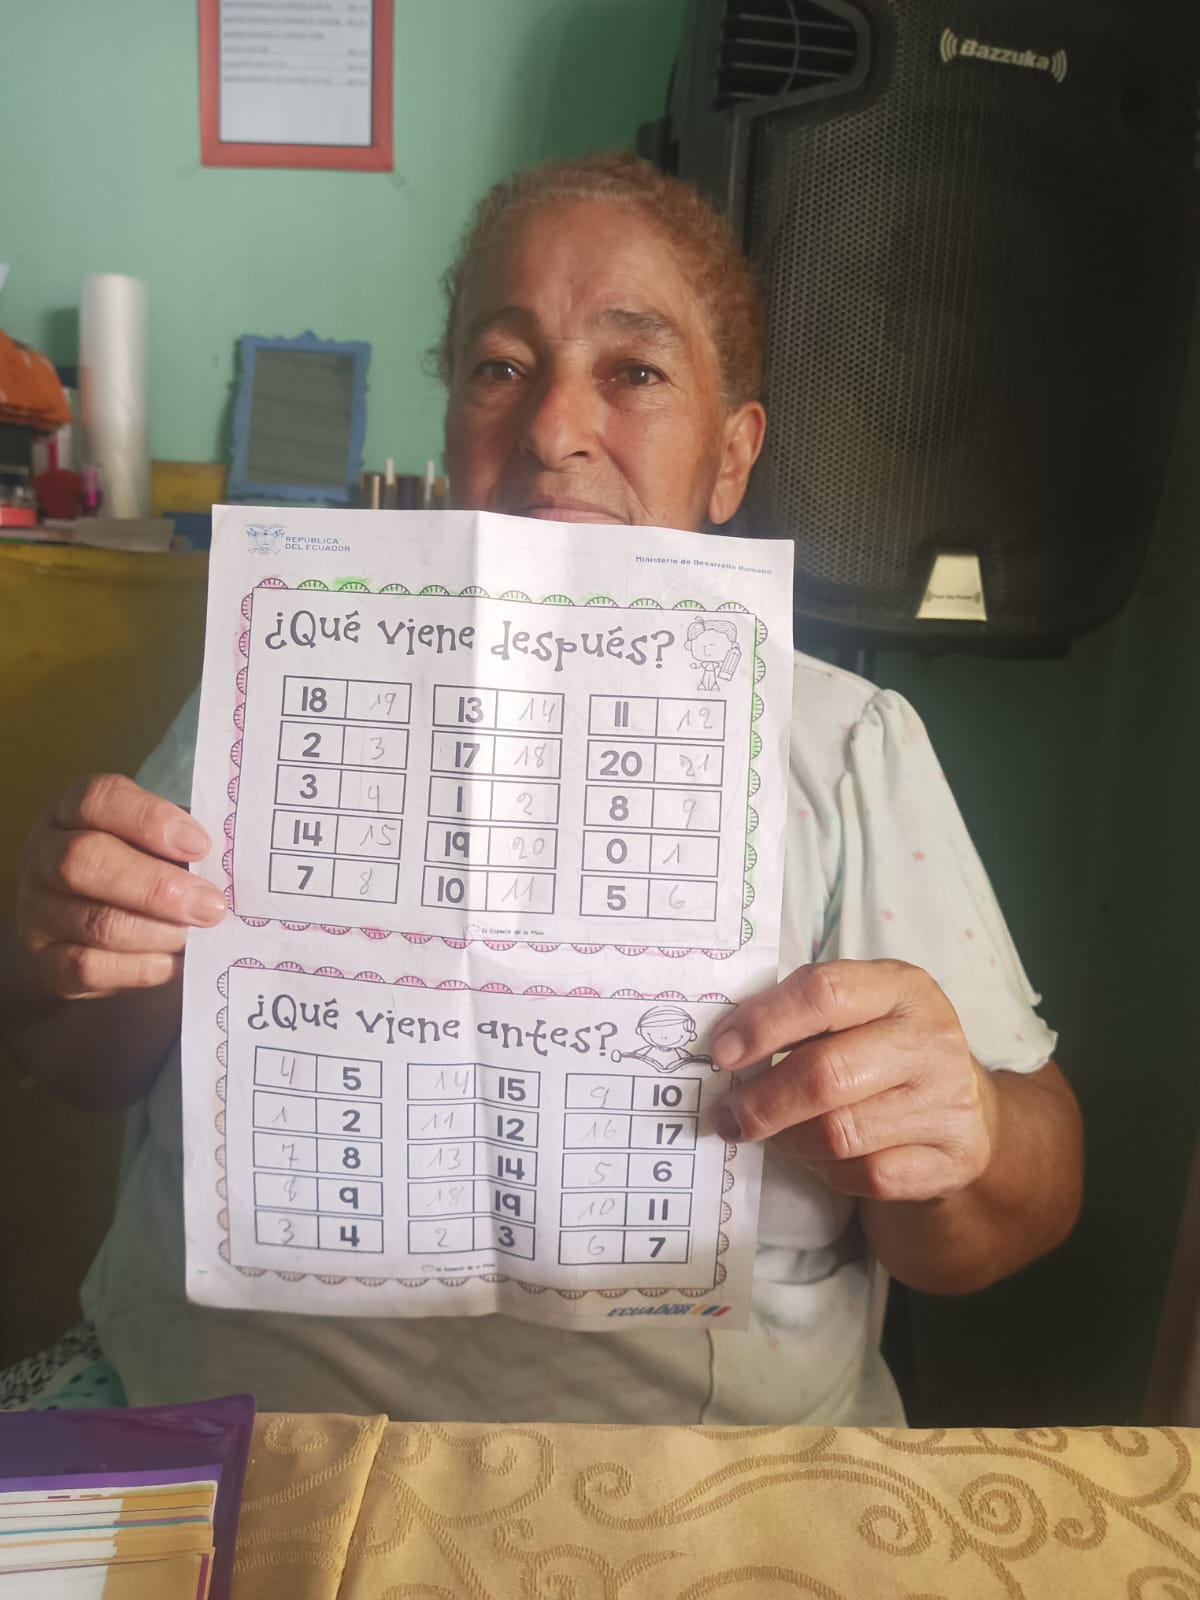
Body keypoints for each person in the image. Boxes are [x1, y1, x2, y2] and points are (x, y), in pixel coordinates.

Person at [0, 153, 1082, 1424]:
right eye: (499, 367)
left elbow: (1013, 1209)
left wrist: (966, 1133)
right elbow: (78, 1064)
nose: (554, 428)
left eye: (635, 371)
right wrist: (69, 953)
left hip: (700, 1472)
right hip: (217, 1416)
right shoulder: (277, 682)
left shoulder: (843, 745)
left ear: (732, 458)